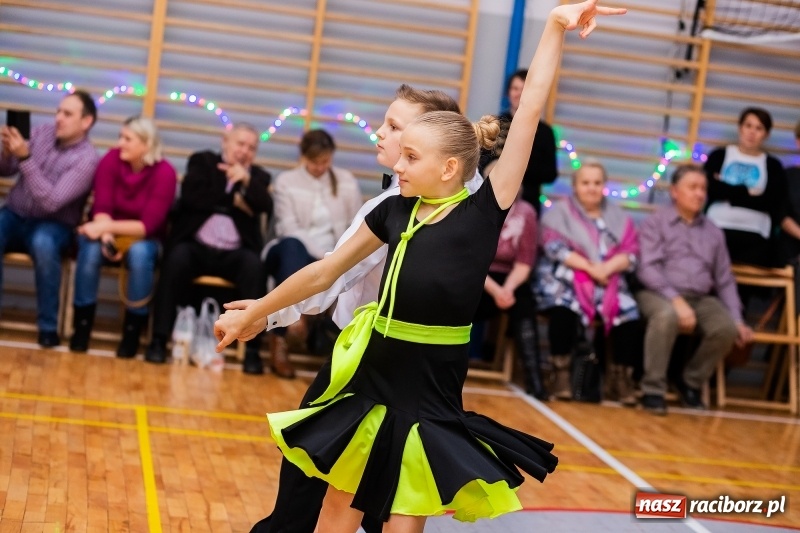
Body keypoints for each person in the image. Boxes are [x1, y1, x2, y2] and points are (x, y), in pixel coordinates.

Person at [216, 3, 622, 530]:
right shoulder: (391, 210)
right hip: (372, 377)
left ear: (449, 167)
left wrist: (553, 27)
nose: (397, 166)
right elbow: (323, 272)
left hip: (430, 392)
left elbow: (530, 113)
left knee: (403, 519)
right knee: (336, 510)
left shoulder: (484, 211)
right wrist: (259, 313)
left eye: (411, 157)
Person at [240, 84, 475, 533]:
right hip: (388, 367)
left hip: (366, 366)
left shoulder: (400, 208)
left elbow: (328, 277)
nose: (381, 135)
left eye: (394, 127)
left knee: (315, 483)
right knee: (362, 496)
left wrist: (264, 314)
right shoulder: (423, 204)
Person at [144, 123, 272, 374]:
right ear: (226, 142)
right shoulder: (202, 161)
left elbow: (265, 205)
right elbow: (193, 197)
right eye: (240, 144)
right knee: (175, 259)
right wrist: (235, 200)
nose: (244, 151)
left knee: (255, 267)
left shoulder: (258, 177)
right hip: (196, 247)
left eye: (251, 148)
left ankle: (253, 353)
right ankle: (158, 340)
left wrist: (245, 179)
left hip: (235, 253)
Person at [636, 164, 753, 415]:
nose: (699, 194)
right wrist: (675, 300)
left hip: (700, 298)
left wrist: (737, 318)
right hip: (657, 293)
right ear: (675, 191)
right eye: (693, 187)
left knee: (726, 329)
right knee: (666, 315)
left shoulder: (713, 231)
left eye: (703, 189)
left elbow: (724, 279)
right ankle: (653, 389)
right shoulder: (655, 223)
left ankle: (689, 382)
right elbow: (647, 269)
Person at [68, 116, 177, 357]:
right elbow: (102, 207)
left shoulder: (165, 172)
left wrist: (105, 229)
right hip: (107, 230)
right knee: (90, 250)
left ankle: (131, 333)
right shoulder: (110, 160)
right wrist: (105, 235)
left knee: (140, 255)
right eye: (120, 137)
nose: (121, 143)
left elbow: (148, 226)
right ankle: (82, 328)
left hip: (146, 240)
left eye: (127, 139)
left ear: (146, 145)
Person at [535, 159, 641, 404]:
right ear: (575, 186)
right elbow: (554, 248)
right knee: (564, 308)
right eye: (586, 183)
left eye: (597, 183)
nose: (591, 188)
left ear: (604, 185)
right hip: (567, 277)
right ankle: (560, 374)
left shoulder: (617, 216)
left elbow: (631, 254)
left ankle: (620, 378)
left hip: (608, 280)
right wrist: (591, 269)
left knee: (629, 312)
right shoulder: (560, 213)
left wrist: (605, 268)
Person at [0, 90, 100, 347]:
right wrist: (7, 152)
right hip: (14, 214)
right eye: (58, 111)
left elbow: (52, 201)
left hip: (54, 225)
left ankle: (47, 328)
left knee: (44, 244)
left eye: (67, 114)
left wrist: (24, 157)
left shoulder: (87, 159)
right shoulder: (42, 132)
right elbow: (7, 170)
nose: (58, 118)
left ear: (86, 122)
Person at [263, 128, 362, 378]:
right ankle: (284, 334)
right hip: (291, 251)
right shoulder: (287, 181)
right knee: (293, 248)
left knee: (358, 265)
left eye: (325, 161)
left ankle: (345, 355)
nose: (320, 167)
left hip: (334, 253)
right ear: (303, 157)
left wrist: (334, 257)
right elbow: (289, 228)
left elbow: (358, 226)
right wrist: (323, 256)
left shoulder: (347, 182)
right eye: (314, 162)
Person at [472, 136, 547, 400]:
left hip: (510, 279)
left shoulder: (526, 212)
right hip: (477, 277)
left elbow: (525, 261)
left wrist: (508, 289)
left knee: (525, 304)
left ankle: (535, 380)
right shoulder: (475, 209)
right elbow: (470, 260)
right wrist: (495, 291)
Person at [704, 107, 800, 268]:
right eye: (748, 126)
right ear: (740, 127)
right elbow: (711, 189)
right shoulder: (719, 156)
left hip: (756, 236)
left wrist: (728, 191)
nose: (752, 132)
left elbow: (771, 203)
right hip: (715, 228)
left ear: (766, 134)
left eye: (759, 128)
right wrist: (749, 193)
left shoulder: (773, 165)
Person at [479, 69, 558, 215]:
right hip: (490, 200)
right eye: (515, 88)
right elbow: (478, 162)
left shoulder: (545, 132)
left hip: (527, 204)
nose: (518, 94)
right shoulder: (494, 123)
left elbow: (550, 174)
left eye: (524, 89)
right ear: (508, 92)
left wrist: (520, 166)